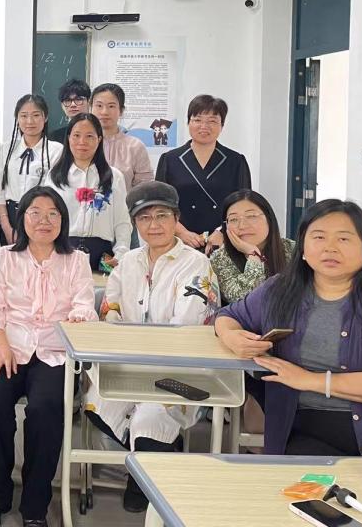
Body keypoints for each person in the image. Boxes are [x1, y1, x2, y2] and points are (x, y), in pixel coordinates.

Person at [216, 199, 362, 459]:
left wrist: (310, 380)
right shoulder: (280, 290)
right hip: (298, 428)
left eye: (343, 239)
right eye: (319, 237)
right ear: (303, 249)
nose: (330, 247)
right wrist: (232, 336)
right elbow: (228, 315)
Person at [86, 181, 220, 513]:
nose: (154, 225)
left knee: (149, 419)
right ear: (135, 223)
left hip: (179, 368)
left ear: (176, 219)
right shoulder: (128, 263)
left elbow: (186, 324)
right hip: (128, 366)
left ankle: (143, 475)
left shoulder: (195, 264)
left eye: (162, 216)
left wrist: (133, 340)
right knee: (97, 406)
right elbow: (111, 309)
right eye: (144, 218)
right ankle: (154, 456)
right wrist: (118, 332)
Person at [0, 186, 97, 527]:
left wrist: (79, 318)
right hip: (8, 344)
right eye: (36, 213)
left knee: (46, 409)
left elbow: (85, 305)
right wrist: (1, 345)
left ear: (63, 220)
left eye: (53, 214)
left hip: (54, 351)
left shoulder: (76, 260)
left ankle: (35, 505)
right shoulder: (6, 256)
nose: (44, 221)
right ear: (22, 218)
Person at [155, 94, 251, 253]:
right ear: (188, 122)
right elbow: (160, 204)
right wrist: (182, 233)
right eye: (197, 120)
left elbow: (244, 204)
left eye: (212, 121)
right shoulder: (170, 159)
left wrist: (222, 232)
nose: (204, 126)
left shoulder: (235, 161)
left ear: (222, 125)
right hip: (179, 241)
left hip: (223, 243)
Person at [44, 112, 131, 271]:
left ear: (99, 139)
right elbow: (48, 218)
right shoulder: (55, 176)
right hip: (63, 250)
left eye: (89, 136)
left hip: (102, 253)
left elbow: (122, 221)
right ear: (68, 138)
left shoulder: (114, 177)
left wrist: (121, 253)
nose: (82, 142)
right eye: (76, 135)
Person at [0, 95, 63, 245]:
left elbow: (56, 192)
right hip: (10, 216)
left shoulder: (56, 151)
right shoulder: (6, 149)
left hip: (43, 217)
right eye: (24, 116)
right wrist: (6, 228)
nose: (29, 121)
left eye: (36, 115)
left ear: (45, 117)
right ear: (17, 119)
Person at [210, 189, 295, 305]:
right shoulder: (219, 258)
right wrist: (253, 254)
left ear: (269, 219)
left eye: (251, 216)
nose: (242, 225)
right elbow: (243, 301)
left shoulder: (292, 249)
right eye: (233, 219)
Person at [90, 83, 154, 188]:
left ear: (121, 111)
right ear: (91, 108)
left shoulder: (135, 146)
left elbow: (145, 187)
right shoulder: (82, 144)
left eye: (111, 106)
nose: (104, 112)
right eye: (99, 106)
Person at [48, 78, 91, 144]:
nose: (73, 104)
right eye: (67, 100)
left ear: (89, 102)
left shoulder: (97, 132)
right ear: (62, 105)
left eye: (78, 99)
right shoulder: (53, 138)